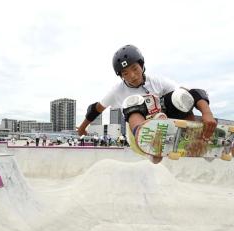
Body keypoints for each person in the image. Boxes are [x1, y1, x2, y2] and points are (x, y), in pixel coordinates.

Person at [77, 45, 217, 159]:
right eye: (125, 73)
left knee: (179, 96)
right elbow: (96, 109)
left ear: (142, 66)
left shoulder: (157, 82)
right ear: (121, 76)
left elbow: (190, 94)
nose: (132, 76)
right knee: (134, 102)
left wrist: (207, 113)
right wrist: (83, 128)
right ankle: (149, 142)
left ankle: (191, 135)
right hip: (138, 135)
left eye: (135, 69)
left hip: (163, 123)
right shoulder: (117, 91)